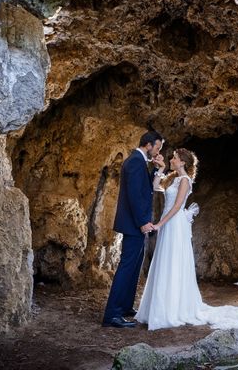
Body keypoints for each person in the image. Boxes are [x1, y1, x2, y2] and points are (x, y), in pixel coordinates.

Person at [135, 148, 238, 331]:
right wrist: (159, 169)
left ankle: (173, 309)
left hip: (174, 225)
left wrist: (159, 224)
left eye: (174, 158)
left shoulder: (185, 180)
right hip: (168, 224)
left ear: (182, 162)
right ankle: (160, 307)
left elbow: (176, 207)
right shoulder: (172, 178)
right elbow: (155, 187)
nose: (171, 159)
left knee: (173, 262)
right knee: (164, 262)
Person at [102, 131, 165, 328]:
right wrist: (142, 222)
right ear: (148, 145)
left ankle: (126, 306)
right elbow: (135, 196)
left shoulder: (138, 161)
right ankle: (112, 315)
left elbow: (145, 189)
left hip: (134, 224)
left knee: (135, 267)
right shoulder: (136, 162)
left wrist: (157, 170)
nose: (157, 152)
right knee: (126, 267)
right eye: (157, 148)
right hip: (134, 224)